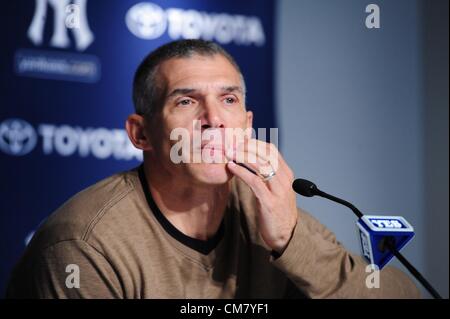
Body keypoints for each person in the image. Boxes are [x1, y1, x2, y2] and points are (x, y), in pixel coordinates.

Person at [6, 39, 420, 298]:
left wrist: (290, 242)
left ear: (247, 123)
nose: (214, 119)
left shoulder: (261, 205)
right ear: (141, 133)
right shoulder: (84, 245)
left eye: (228, 100)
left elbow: (403, 296)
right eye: (186, 101)